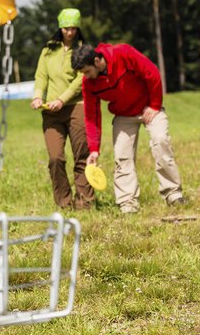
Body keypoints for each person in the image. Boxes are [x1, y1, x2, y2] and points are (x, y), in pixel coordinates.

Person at [71, 43, 187, 214]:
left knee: (161, 141)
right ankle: (128, 203)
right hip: (123, 115)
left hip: (149, 108)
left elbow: (152, 73)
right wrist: (94, 150)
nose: (86, 76)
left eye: (87, 71)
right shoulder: (89, 83)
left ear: (96, 60)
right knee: (122, 157)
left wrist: (154, 105)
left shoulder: (122, 53)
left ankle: (173, 194)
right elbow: (91, 116)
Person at [29, 8, 94, 210]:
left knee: (81, 155)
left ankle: (84, 202)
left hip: (76, 106)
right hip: (51, 112)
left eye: (74, 28)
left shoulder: (82, 50)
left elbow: (80, 79)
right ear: (60, 27)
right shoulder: (48, 51)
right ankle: (64, 203)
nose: (70, 32)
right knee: (55, 158)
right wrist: (38, 95)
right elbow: (41, 77)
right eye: (66, 28)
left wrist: (62, 99)